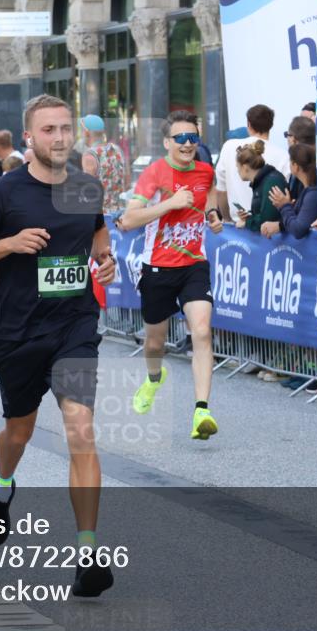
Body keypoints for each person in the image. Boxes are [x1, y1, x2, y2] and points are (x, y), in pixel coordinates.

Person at [0, 94, 117, 597]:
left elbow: (97, 231)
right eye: (48, 130)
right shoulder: (3, 193)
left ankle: (88, 554)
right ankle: (2, 487)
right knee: (17, 434)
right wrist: (10, 243)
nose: (60, 138)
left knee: (81, 430)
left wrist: (104, 260)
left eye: (65, 128)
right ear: (29, 137)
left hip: (75, 326)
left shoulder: (86, 187)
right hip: (19, 334)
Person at [119, 110, 224, 440]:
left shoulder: (205, 171)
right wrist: (170, 203)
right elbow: (128, 219)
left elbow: (210, 195)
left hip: (194, 265)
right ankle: (154, 378)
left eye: (193, 138)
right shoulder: (154, 173)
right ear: (167, 142)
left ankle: (201, 410)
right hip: (158, 268)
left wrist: (213, 214)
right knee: (155, 342)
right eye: (180, 138)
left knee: (202, 331)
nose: (188, 144)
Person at [215, 104, 290, 221]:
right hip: (269, 226)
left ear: (248, 124)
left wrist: (228, 221)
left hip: (239, 224)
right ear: (271, 125)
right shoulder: (283, 155)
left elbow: (221, 191)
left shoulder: (229, 147)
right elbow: (285, 196)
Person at [261, 144, 317, 239]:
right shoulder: (307, 190)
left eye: (290, 162)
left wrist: (284, 206)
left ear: (295, 166)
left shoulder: (312, 194)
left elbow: (298, 230)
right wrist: (289, 208)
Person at [232, 140, 288, 232]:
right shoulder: (262, 181)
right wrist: (249, 216)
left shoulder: (271, 182)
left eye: (237, 167)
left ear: (245, 167)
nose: (237, 171)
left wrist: (247, 222)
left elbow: (267, 220)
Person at [79, 115, 127, 214]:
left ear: (87, 133)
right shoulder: (117, 149)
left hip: (102, 215)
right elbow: (126, 180)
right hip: (121, 212)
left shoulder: (90, 155)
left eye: (82, 131)